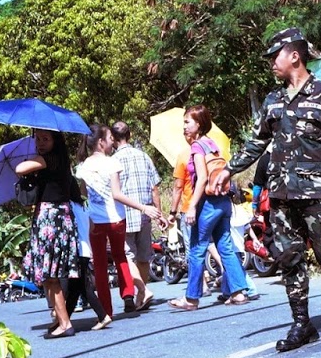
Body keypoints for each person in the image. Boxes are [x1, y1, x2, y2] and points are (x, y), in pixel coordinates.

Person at [226, 29, 321, 352]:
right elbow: (256, 143)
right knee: (289, 259)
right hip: (281, 196)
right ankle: (301, 323)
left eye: (275, 55)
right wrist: (228, 169)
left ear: (294, 56)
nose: (271, 62)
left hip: (317, 194)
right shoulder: (273, 100)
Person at [75, 124, 164, 326]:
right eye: (109, 138)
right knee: (120, 257)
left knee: (99, 265)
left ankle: (106, 310)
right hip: (116, 219)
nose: (112, 142)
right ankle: (128, 295)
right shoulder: (112, 163)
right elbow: (117, 194)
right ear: (101, 142)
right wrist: (143, 207)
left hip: (95, 222)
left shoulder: (83, 167)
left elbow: (84, 193)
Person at [170, 105, 252, 311]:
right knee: (225, 246)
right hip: (223, 201)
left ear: (199, 124)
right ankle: (238, 292)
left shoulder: (197, 147)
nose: (184, 127)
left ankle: (191, 298)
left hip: (207, 203)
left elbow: (202, 179)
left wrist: (191, 207)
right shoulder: (212, 144)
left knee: (197, 249)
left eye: (187, 122)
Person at [15, 129, 84, 337]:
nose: (41, 143)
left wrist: (32, 159)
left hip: (51, 220)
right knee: (48, 275)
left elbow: (19, 168)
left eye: (46, 139)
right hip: (57, 217)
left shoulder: (49, 159)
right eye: (37, 139)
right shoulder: (60, 160)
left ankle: (64, 323)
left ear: (56, 140)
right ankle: (59, 319)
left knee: (50, 275)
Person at [109, 120, 161, 312]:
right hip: (145, 213)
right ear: (129, 135)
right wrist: (158, 212)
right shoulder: (144, 156)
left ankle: (142, 292)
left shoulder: (113, 161)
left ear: (113, 139)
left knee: (125, 256)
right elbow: (154, 188)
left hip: (123, 214)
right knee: (143, 257)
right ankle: (141, 294)